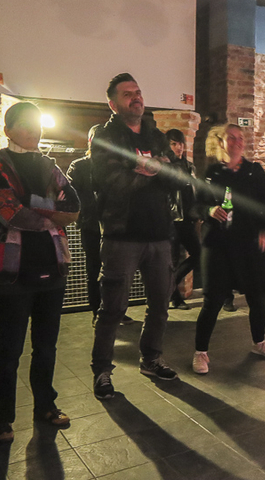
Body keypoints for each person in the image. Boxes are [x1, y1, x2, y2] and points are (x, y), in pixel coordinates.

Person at [0, 102, 80, 442]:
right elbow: (11, 213)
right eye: (24, 124)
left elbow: (74, 206)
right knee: (9, 351)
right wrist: (51, 213)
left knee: (46, 347)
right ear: (7, 130)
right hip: (10, 272)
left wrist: (34, 204)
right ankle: (2, 419)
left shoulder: (49, 165)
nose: (33, 131)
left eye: (37, 124)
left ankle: (46, 406)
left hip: (52, 266)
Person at [90, 73, 180, 401]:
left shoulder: (156, 135)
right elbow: (111, 181)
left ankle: (151, 358)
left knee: (160, 305)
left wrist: (144, 168)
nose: (136, 97)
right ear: (113, 104)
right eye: (128, 94)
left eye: (138, 92)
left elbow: (177, 176)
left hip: (159, 233)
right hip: (122, 236)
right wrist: (156, 168)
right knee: (112, 309)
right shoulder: (105, 136)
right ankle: (102, 370)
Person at [192, 124, 265, 375]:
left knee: (257, 296)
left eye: (240, 138)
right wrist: (209, 210)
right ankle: (200, 352)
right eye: (231, 138)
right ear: (221, 142)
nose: (237, 142)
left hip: (248, 243)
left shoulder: (254, 171)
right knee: (213, 300)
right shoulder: (212, 173)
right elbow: (196, 205)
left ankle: (259, 342)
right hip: (218, 244)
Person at [67, 125, 134, 325]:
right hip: (92, 226)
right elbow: (71, 196)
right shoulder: (79, 166)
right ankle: (98, 311)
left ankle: (116, 310)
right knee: (95, 270)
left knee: (118, 271)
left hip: (114, 226)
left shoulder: (116, 165)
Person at [166, 128, 200, 310]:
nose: (178, 147)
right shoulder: (165, 166)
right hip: (171, 219)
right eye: (174, 144)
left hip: (187, 219)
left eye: (180, 143)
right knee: (171, 261)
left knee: (198, 254)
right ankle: (174, 298)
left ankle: (172, 285)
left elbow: (193, 193)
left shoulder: (190, 166)